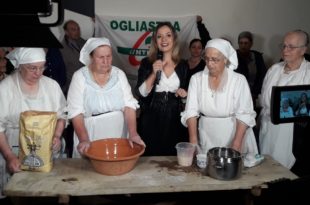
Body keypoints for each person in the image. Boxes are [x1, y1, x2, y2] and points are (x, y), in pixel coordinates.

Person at [181, 38, 260, 167]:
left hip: (234, 133)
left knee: (233, 173)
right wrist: (193, 141)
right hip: (207, 134)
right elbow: (191, 111)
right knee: (208, 171)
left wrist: (236, 143)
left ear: (226, 59)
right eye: (207, 59)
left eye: (215, 59)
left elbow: (245, 114)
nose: (209, 64)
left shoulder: (238, 80)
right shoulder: (197, 79)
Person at [0, 48, 67, 198]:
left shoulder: (51, 86)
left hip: (47, 150)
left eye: (42, 67)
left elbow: (62, 116)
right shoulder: (5, 88)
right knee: (19, 193)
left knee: (48, 191)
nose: (38, 73)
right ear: (20, 66)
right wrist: (9, 156)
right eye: (32, 68)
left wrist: (56, 135)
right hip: (14, 148)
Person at [67, 37, 145, 158]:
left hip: (118, 132)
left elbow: (129, 106)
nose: (106, 61)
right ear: (91, 57)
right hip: (90, 133)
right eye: (101, 57)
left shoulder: (119, 74)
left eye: (108, 56)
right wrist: (84, 139)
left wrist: (133, 134)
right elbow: (76, 112)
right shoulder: (79, 77)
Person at [259, 29, 310, 176]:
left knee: (287, 173)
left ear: (303, 50)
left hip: (293, 134)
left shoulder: (308, 73)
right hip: (268, 128)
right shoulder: (274, 70)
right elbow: (263, 98)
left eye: (291, 47)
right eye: (284, 45)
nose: (285, 50)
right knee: (266, 169)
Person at [135, 22, 188, 156]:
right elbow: (141, 93)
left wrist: (184, 95)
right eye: (159, 36)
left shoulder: (183, 65)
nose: (164, 40)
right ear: (155, 41)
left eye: (168, 35)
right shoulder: (147, 63)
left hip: (175, 116)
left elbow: (188, 95)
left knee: (172, 156)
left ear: (174, 39)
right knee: (151, 154)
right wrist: (153, 73)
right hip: (152, 114)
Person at [235, 31, 267, 110]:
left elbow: (262, 75)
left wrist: (255, 93)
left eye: (246, 43)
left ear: (251, 44)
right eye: (241, 43)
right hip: (235, 94)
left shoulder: (257, 56)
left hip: (252, 94)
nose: (243, 46)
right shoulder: (233, 56)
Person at [60, 19, 86, 95]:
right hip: (73, 87)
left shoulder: (83, 42)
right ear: (66, 32)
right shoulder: (61, 49)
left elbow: (94, 43)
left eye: (78, 29)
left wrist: (97, 24)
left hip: (86, 84)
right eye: (73, 29)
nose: (77, 31)